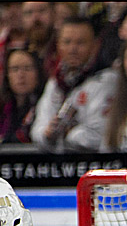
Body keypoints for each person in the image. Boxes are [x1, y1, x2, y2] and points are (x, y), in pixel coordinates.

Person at [30, 16, 117, 153]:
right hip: (59, 167)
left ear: (95, 46)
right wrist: (47, 133)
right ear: (58, 45)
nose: (72, 49)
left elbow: (98, 135)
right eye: (67, 42)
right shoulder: (55, 82)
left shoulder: (107, 80)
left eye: (80, 43)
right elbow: (37, 130)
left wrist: (64, 134)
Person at [0, 48, 43, 150]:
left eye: (27, 68)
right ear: (7, 75)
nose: (21, 75)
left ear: (37, 73)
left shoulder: (43, 104)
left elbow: (28, 136)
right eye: (15, 69)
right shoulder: (2, 109)